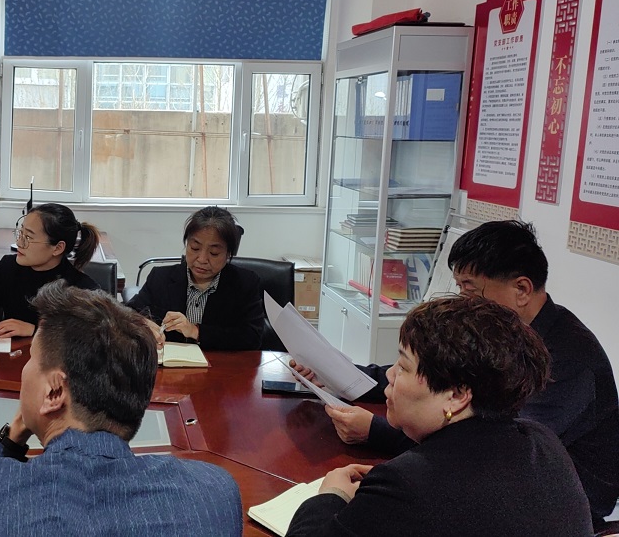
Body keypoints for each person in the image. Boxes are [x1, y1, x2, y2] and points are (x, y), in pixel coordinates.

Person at [293, 220, 619, 527]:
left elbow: (485, 446)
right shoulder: (506, 337)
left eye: (470, 291)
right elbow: (432, 373)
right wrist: (339, 375)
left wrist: (374, 430)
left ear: (521, 289)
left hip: (546, 506)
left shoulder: (568, 360)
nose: (463, 301)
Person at [0, 284, 241, 536]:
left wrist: (10, 439)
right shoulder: (214, 493)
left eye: (31, 359)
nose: (25, 371)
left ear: (54, 391)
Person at [287, 295, 590, 537]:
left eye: (404, 367)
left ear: (456, 395)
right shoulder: (543, 442)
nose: (390, 375)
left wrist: (332, 495)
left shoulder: (406, 484)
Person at [0, 204, 101, 344]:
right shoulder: (8, 268)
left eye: (28, 237)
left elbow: (95, 342)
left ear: (58, 248)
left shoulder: (81, 289)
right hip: (11, 361)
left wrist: (35, 331)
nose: (19, 243)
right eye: (20, 233)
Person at [125, 206, 264, 350]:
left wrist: (195, 331)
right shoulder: (160, 278)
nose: (202, 259)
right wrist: (143, 323)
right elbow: (127, 313)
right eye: (195, 248)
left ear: (228, 254)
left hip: (218, 363)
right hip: (169, 362)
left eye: (214, 253)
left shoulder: (245, 283)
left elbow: (252, 338)